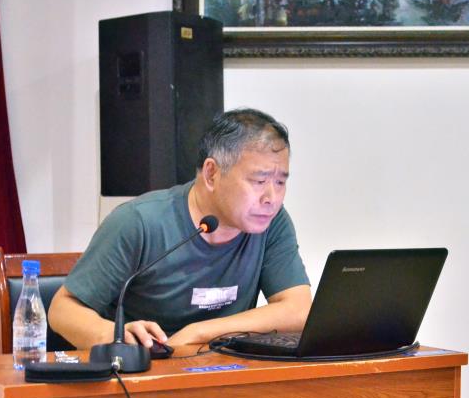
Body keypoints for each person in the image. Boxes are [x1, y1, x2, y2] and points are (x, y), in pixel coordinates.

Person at [49, 108, 311, 349]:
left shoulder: (271, 223)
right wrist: (114, 336)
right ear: (212, 174)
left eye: (280, 182)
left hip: (223, 371)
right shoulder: (139, 222)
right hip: (144, 371)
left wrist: (199, 332)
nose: (271, 198)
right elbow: (63, 309)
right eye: (259, 181)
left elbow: (298, 310)